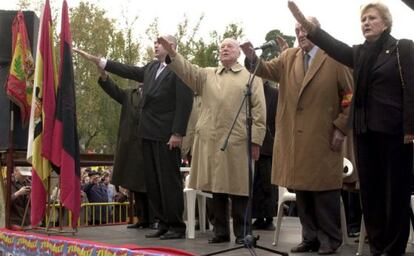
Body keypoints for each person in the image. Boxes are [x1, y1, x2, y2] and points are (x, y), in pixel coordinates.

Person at [288, 2, 414, 255]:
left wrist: (410, 128)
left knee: (395, 195)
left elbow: (412, 89)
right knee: (371, 194)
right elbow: (335, 47)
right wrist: (311, 29)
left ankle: (393, 248)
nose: (366, 22)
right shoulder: (360, 53)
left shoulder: (403, 48)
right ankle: (377, 247)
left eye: (372, 18)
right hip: (365, 133)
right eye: (363, 19)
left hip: (396, 134)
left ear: (386, 23)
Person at [240, 17, 353, 254]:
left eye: (304, 29)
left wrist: (342, 127)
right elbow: (267, 70)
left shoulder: (334, 56)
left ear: (317, 31)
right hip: (294, 137)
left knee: (323, 191)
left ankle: (330, 239)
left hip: (323, 135)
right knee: (302, 190)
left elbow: (350, 95)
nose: (300, 34)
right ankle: (309, 237)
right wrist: (251, 57)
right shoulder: (289, 56)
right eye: (297, 30)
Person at [75, 34, 193, 240]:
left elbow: (185, 102)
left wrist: (177, 132)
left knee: (168, 181)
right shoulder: (151, 68)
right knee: (153, 181)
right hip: (147, 133)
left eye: (160, 43)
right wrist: (100, 61)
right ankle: (162, 222)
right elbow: (128, 70)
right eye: (155, 43)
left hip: (167, 135)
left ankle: (176, 225)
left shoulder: (180, 69)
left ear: (172, 46)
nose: (155, 46)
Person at [157, 36, 266, 244]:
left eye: (230, 46)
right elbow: (186, 70)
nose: (225, 49)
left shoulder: (251, 77)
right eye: (222, 46)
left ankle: (243, 233)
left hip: (238, 140)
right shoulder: (207, 75)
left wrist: (256, 141)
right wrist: (173, 53)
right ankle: (221, 231)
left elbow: (260, 111)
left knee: (239, 187)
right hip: (211, 141)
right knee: (217, 188)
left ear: (238, 52)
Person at [251, 80, 278, 231]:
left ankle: (268, 217)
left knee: (267, 183)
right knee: (255, 182)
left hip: (268, 141)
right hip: (253, 141)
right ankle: (258, 216)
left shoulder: (274, 93)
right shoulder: (251, 91)